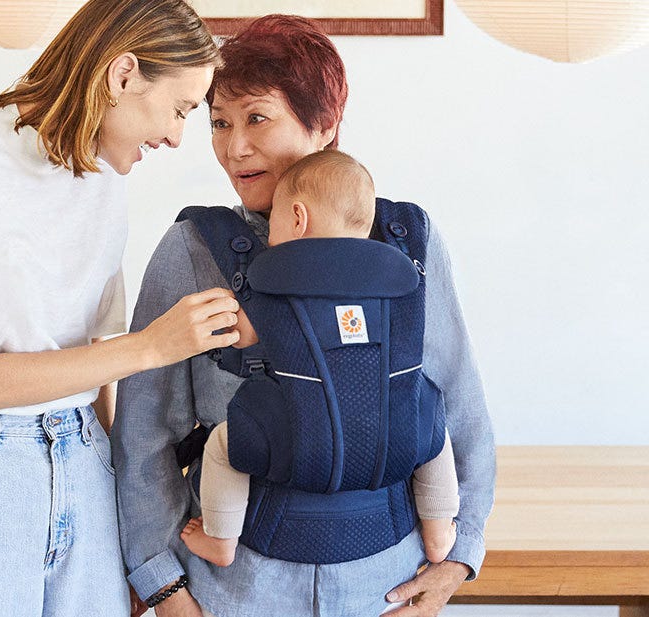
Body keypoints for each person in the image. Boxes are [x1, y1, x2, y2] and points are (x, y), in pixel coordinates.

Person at [113, 14, 496, 617]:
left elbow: (456, 404)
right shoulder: (192, 250)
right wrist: (163, 587)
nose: (233, 147)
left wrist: (458, 556)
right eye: (218, 122)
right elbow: (144, 435)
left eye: (257, 118)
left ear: (324, 125)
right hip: (234, 589)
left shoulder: (408, 243)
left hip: (386, 583)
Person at [0, 1, 240, 616]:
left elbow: (93, 364)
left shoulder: (104, 180)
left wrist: (130, 516)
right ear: (122, 76)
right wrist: (154, 345)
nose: (177, 136)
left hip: (82, 455)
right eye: (178, 109)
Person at [179, 150, 460, 570]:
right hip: (391, 436)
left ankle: (221, 538)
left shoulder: (272, 281)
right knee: (432, 426)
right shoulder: (400, 279)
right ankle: (439, 530)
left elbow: (238, 337)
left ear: (297, 217)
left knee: (222, 445)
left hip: (300, 438)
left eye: (273, 220)